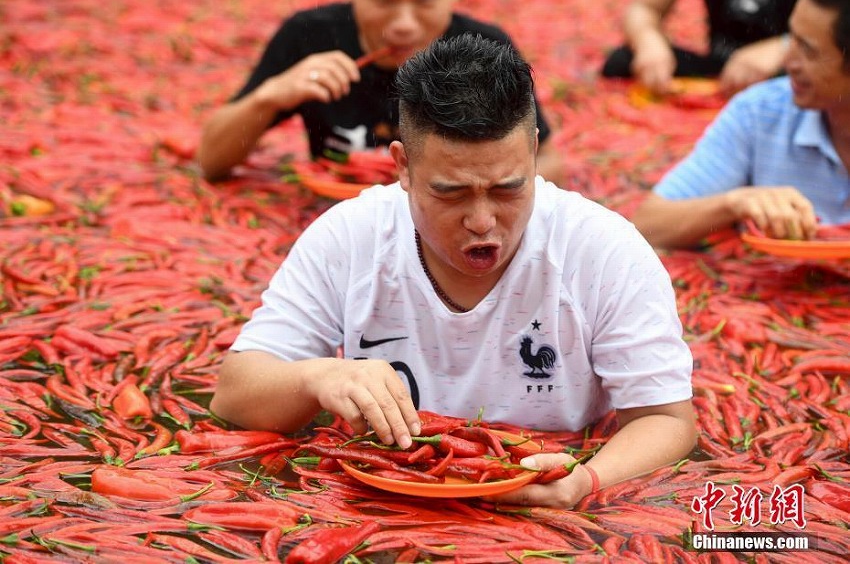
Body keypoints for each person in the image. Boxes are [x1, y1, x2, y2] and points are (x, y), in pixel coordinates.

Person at [210, 34, 696, 509]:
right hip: (386, 493)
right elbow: (234, 395)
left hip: (542, 500)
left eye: (507, 189)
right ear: (402, 165)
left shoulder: (603, 250)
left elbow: (666, 418)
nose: (482, 221)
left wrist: (588, 479)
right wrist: (318, 377)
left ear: (532, 151)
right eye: (451, 192)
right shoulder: (351, 237)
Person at [197, 0, 563, 184]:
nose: (403, 25)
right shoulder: (310, 36)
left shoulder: (482, 49)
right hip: (331, 209)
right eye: (384, 0)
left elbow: (545, 158)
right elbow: (211, 162)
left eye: (424, 1)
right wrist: (271, 94)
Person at [632, 0, 850, 250]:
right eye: (791, 39)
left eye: (809, 51)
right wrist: (735, 203)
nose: (787, 61)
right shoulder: (761, 111)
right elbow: (647, 225)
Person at [601, 0, 798, 96]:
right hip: (722, 68)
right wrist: (649, 41)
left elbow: (827, 33)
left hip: (790, 70)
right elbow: (644, 8)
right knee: (621, 61)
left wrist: (784, 46)